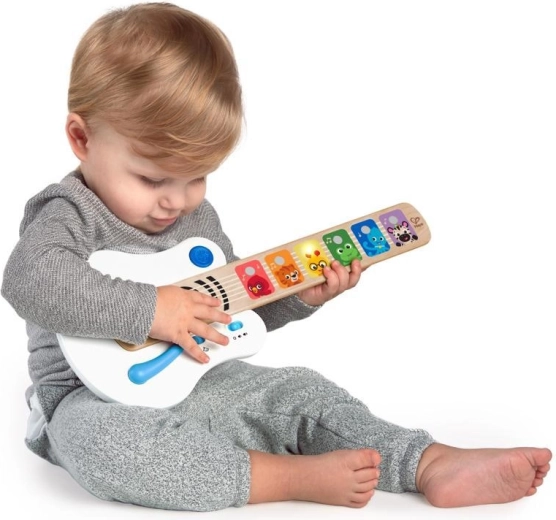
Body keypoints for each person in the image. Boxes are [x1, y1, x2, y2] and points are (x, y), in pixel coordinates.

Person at [1, 2, 551, 512]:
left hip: (201, 384)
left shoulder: (194, 221)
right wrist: (154, 311)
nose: (176, 200)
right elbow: (28, 280)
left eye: (197, 177)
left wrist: (293, 299)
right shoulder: (68, 214)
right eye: (151, 178)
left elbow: (230, 315)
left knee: (300, 391)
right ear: (82, 138)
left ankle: (426, 462)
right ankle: (284, 478)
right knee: (105, 445)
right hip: (86, 403)